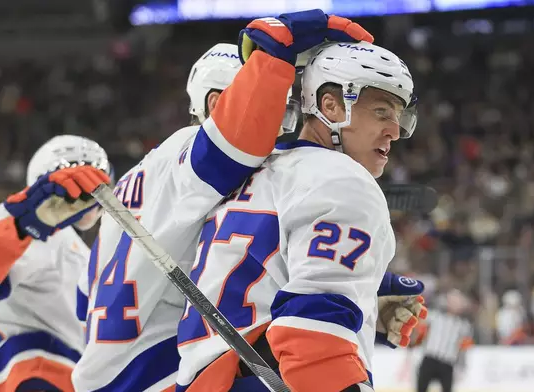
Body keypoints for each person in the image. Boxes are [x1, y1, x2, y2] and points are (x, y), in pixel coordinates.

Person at [71, 12, 376, 391]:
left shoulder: (131, 189)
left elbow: (85, 303)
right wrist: (274, 50)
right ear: (218, 104)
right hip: (159, 374)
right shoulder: (188, 155)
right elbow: (232, 146)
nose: (281, 129)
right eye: (272, 109)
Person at [175, 19, 426, 391]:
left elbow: (262, 286)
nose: (395, 130)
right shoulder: (343, 179)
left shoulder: (251, 171)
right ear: (332, 105)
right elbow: (311, 337)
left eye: (400, 116)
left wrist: (364, 300)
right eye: (381, 111)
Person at [0, 135, 112, 391]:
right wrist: (25, 223)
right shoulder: (38, 229)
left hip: (64, 375)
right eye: (75, 183)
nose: (86, 192)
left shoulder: (82, 250)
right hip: (35, 373)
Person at [414, 289, 474, 392]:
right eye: (452, 300)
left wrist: (462, 366)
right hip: (430, 358)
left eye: (457, 302)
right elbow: (420, 326)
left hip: (447, 362)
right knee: (421, 387)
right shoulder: (435, 316)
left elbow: (463, 348)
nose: (454, 304)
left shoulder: (464, 325)